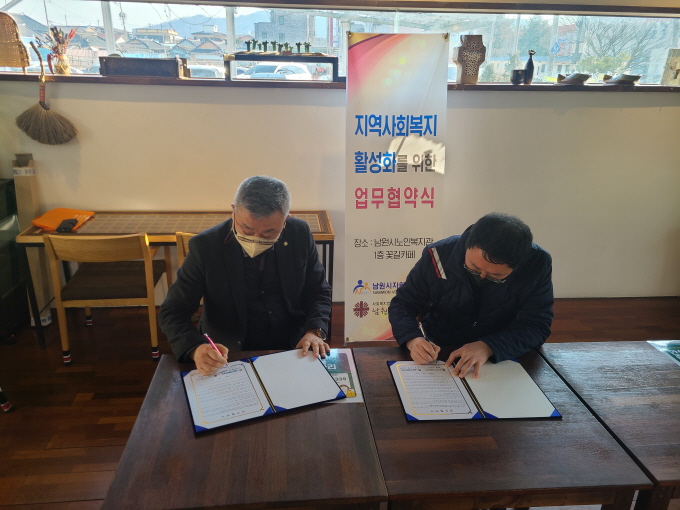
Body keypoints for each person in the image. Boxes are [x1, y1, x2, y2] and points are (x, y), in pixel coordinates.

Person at [160, 176, 332, 376]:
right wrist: (195, 348)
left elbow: (318, 290)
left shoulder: (298, 233)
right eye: (246, 229)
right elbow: (173, 310)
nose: (255, 239)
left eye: (268, 233)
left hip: (292, 345)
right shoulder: (207, 246)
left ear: (285, 220)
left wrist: (314, 331)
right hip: (227, 352)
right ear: (233, 211)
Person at [388, 212, 553, 379]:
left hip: (501, 356)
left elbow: (536, 325)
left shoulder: (537, 264)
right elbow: (403, 304)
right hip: (440, 349)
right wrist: (412, 339)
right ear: (467, 245)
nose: (481, 277)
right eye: (473, 268)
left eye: (495, 276)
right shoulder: (438, 254)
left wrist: (488, 347)